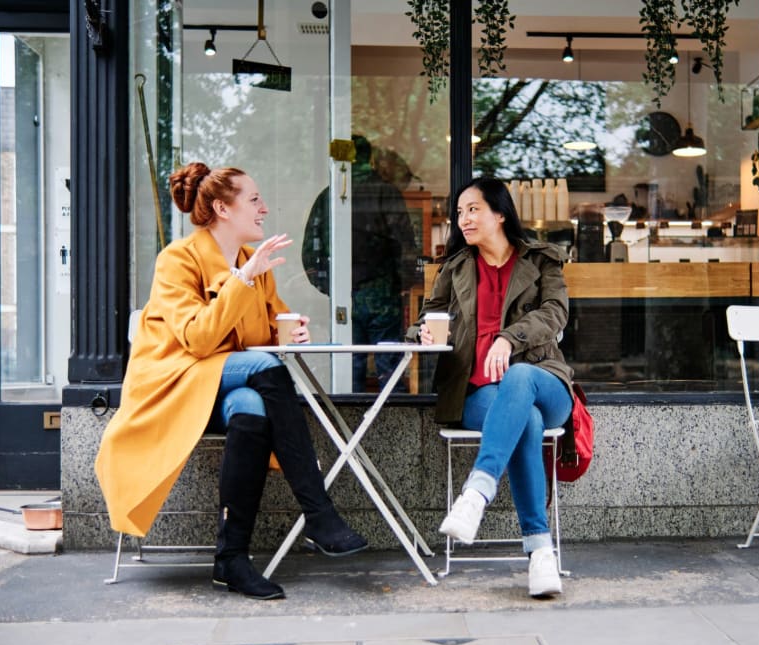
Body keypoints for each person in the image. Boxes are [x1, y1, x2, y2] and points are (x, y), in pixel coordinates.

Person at [94, 162, 368, 601]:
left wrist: (290, 328)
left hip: (222, 385)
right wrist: (242, 281)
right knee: (266, 370)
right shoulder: (177, 260)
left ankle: (231, 559)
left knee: (254, 407)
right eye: (254, 199)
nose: (264, 208)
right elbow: (199, 340)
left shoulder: (250, 261)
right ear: (223, 208)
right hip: (173, 384)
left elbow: (258, 336)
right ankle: (318, 512)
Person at [407, 176, 575, 598]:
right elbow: (427, 318)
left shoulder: (541, 260)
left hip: (543, 379)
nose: (463, 218)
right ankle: (540, 554)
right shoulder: (456, 267)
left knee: (520, 383)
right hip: (478, 392)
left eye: (473, 209)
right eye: (460, 211)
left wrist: (509, 337)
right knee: (527, 423)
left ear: (500, 213)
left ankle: (476, 492)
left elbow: (556, 313)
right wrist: (422, 335)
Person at [302, 134, 419, 391]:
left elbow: (310, 252)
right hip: (383, 294)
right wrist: (403, 284)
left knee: (346, 372)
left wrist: (328, 285)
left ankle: (346, 426)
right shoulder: (385, 193)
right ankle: (394, 426)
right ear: (371, 158)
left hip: (344, 295)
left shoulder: (328, 198)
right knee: (390, 371)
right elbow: (407, 245)